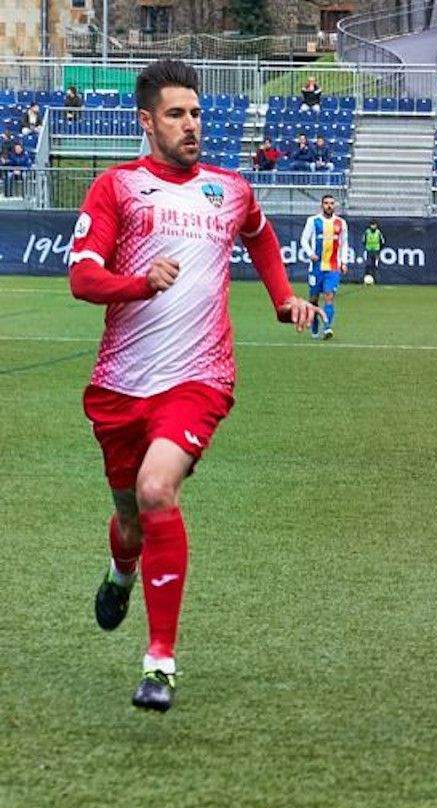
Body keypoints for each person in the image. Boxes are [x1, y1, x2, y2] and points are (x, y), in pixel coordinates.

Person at [69, 59, 321, 712]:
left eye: (198, 113)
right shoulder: (117, 188)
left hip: (199, 379)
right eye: (177, 114)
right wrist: (138, 282)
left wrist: (283, 297)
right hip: (122, 385)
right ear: (147, 122)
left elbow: (261, 237)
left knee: (158, 489)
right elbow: (83, 277)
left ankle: (160, 661)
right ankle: (122, 570)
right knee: (129, 518)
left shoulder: (229, 189)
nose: (191, 125)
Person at [300, 194, 351, 340]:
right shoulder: (313, 221)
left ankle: (327, 328)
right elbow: (304, 239)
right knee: (313, 299)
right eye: (326, 203)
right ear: (321, 205)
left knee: (329, 296)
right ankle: (315, 323)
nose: (329, 206)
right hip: (316, 268)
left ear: (334, 205)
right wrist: (310, 253)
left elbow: (344, 243)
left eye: (331, 203)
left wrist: (344, 262)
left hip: (333, 267)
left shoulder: (341, 223)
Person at [362, 219, 385, 284]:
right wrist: (367, 247)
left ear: (376, 225)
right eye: (372, 225)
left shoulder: (378, 232)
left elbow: (382, 242)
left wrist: (379, 249)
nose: (373, 226)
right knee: (368, 265)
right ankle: (365, 279)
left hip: (376, 251)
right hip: (369, 250)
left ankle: (375, 279)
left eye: (374, 225)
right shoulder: (367, 232)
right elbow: (363, 240)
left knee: (375, 265)